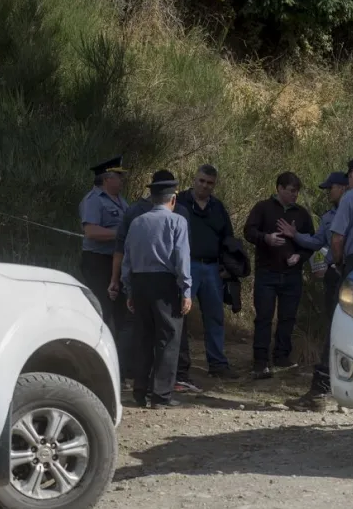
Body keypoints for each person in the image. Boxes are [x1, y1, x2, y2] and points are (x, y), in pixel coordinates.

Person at [110, 170, 200, 394]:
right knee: (168, 338)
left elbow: (127, 259)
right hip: (165, 284)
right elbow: (182, 258)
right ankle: (162, 394)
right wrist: (186, 290)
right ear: (173, 199)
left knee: (143, 337)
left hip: (140, 283)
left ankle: (140, 390)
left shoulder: (137, 221)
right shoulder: (177, 221)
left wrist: (129, 289)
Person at [277, 171, 348, 411]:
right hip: (333, 278)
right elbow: (318, 241)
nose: (328, 192)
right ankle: (326, 387)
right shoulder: (329, 217)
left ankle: (335, 388)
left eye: (331, 188)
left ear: (343, 188)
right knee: (332, 327)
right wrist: (295, 236)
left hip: (352, 277)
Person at [243, 172, 315, 379]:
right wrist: (266, 238)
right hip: (267, 273)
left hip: (292, 275)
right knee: (264, 317)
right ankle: (260, 361)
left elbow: (311, 242)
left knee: (288, 317)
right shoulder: (262, 208)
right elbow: (248, 231)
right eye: (291, 191)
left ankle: (282, 356)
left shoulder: (301, 214)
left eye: (297, 192)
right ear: (280, 188)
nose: (295, 195)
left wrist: (299, 257)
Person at [176, 165, 241, 380]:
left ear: (214, 185)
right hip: (186, 266)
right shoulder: (180, 202)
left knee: (215, 317)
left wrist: (227, 267)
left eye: (209, 183)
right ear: (194, 179)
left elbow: (228, 239)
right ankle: (179, 367)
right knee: (179, 316)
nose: (204, 186)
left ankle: (218, 364)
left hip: (212, 269)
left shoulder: (218, 207)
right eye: (201, 180)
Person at [79, 156, 129, 345]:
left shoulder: (120, 201)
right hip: (98, 261)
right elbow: (90, 231)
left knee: (121, 311)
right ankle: (96, 349)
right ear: (107, 179)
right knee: (102, 309)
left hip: (117, 261)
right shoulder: (93, 200)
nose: (122, 180)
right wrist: (119, 235)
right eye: (119, 176)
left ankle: (121, 359)